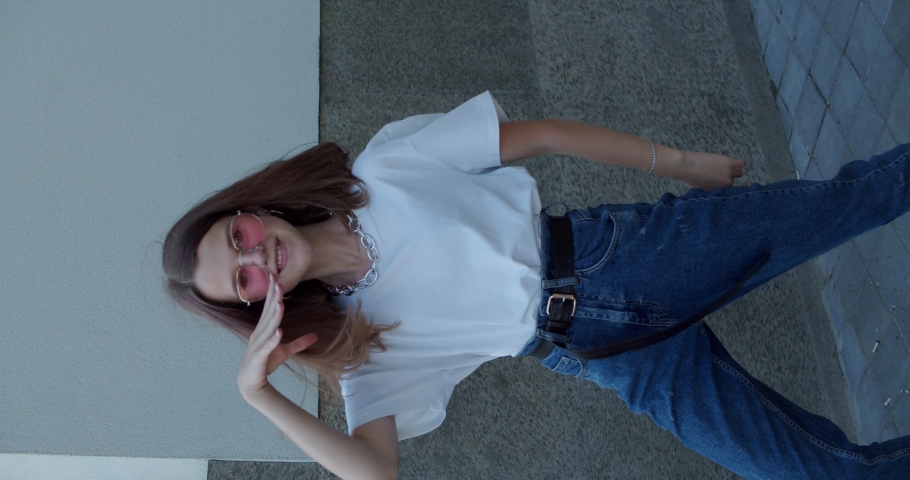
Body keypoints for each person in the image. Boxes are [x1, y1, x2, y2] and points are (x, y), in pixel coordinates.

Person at [163, 92, 910, 479]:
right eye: (244, 281)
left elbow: (542, 133)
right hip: (610, 356)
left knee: (854, 200)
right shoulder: (363, 348)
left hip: (629, 256)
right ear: (258, 306)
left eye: (239, 238)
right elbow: (376, 470)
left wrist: (682, 163)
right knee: (814, 470)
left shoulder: (382, 171)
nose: (258, 258)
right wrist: (258, 394)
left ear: (251, 208)